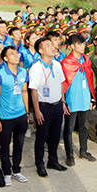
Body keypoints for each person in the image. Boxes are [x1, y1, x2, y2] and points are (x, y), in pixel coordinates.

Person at [29, 36, 68, 177]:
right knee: (41, 137)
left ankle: (53, 160)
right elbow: (33, 90)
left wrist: (63, 102)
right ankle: (40, 164)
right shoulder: (36, 68)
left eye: (52, 44)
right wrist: (37, 111)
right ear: (40, 51)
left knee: (55, 135)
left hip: (57, 106)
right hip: (44, 107)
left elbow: (61, 84)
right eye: (48, 45)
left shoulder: (57, 65)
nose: (52, 47)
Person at [0, 46, 30, 185]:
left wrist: (27, 113)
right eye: (12, 54)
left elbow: (25, 92)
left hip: (20, 115)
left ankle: (16, 170)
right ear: (5, 58)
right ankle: (7, 172)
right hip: (6, 117)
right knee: (5, 146)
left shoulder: (23, 72)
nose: (16, 55)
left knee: (19, 145)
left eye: (16, 53)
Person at [60, 34, 97, 165]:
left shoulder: (86, 60)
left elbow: (90, 81)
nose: (83, 46)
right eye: (79, 44)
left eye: (83, 44)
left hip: (85, 99)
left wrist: (92, 98)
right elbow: (62, 84)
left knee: (84, 126)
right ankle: (69, 154)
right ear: (71, 46)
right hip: (72, 100)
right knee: (69, 129)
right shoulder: (66, 63)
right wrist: (63, 101)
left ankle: (83, 150)